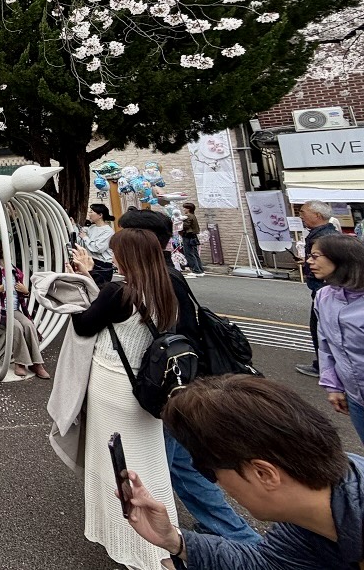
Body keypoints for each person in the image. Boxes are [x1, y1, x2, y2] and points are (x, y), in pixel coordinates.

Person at [118, 208, 262, 545]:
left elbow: (172, 337)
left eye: (126, 235)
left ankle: (161, 542)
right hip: (182, 383)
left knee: (162, 462)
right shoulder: (161, 275)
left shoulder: (163, 279)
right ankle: (230, 532)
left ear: (145, 241)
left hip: (176, 385)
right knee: (183, 465)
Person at [124, 375, 364, 570]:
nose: (216, 484)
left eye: (209, 471)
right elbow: (267, 563)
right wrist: (173, 539)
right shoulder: (307, 517)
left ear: (264, 474)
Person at [68, 228, 180, 569]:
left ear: (128, 256)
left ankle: (132, 545)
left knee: (115, 463)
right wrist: (90, 277)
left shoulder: (119, 292)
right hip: (147, 386)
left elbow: (84, 325)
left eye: (117, 252)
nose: (113, 257)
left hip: (113, 381)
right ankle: (163, 539)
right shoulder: (165, 290)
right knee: (148, 459)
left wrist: (77, 293)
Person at [308, 234, 364, 446]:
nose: (309, 261)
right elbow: (326, 345)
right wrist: (334, 386)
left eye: (315, 256)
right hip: (356, 397)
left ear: (341, 259)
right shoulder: (324, 297)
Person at [0, 242, 49, 378]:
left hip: (14, 309)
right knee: (17, 327)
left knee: (29, 325)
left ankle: (36, 363)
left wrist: (26, 292)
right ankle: (21, 362)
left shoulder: (16, 272)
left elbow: (21, 292)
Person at [296, 199, 338, 378]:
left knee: (321, 329)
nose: (301, 216)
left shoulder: (323, 237)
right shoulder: (325, 233)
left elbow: (334, 262)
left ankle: (325, 368)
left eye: (303, 212)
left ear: (317, 215)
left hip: (324, 288)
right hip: (324, 288)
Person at [81, 203, 115, 286]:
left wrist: (85, 237)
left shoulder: (108, 231)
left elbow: (98, 248)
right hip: (91, 261)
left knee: (99, 289)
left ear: (100, 215)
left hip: (102, 265)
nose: (89, 214)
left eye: (91, 212)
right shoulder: (92, 228)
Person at [180, 202, 206, 277]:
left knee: (189, 253)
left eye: (185, 208)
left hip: (188, 236)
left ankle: (196, 270)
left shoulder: (188, 216)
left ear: (188, 209)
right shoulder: (192, 216)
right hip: (193, 237)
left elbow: (185, 226)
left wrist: (178, 222)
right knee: (195, 253)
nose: (184, 209)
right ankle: (200, 270)